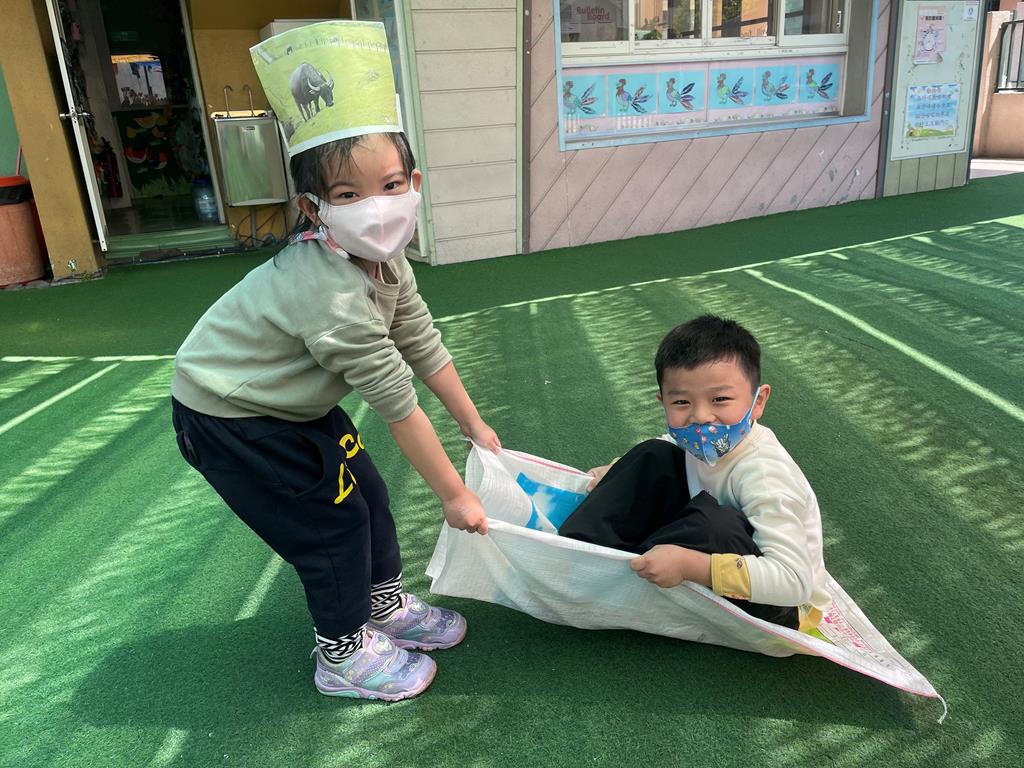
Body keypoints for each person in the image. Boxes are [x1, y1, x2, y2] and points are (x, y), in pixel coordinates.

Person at [171, 21, 498, 701]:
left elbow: (420, 340)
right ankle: (342, 653)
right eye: (348, 195)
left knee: (368, 494)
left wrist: (474, 425)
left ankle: (382, 606)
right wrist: (453, 495)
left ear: (412, 182)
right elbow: (395, 398)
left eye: (390, 184)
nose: (376, 207)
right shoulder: (328, 289)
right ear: (313, 208)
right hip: (233, 417)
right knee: (331, 525)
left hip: (289, 404)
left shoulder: (386, 260)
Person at [560, 315, 830, 631]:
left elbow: (794, 582)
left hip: (782, 607)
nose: (700, 417)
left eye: (720, 399)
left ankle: (630, 572)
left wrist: (692, 566)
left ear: (758, 402)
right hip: (717, 535)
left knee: (714, 524)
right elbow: (667, 445)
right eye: (681, 402)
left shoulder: (766, 474)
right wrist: (618, 469)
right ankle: (576, 553)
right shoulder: (700, 439)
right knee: (652, 454)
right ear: (663, 401)